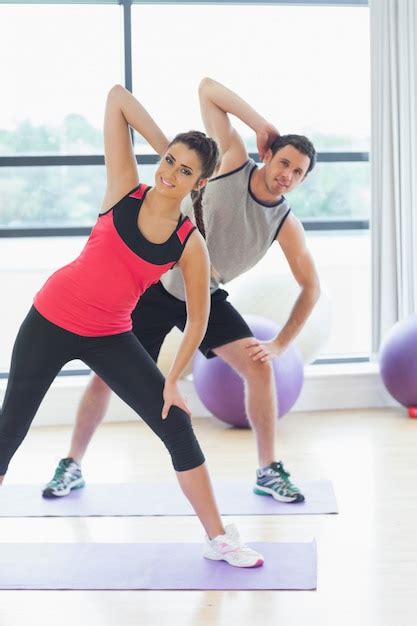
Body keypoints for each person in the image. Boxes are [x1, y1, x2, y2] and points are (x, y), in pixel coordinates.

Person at [0, 84, 264, 569]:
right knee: (8, 431)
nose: (170, 174)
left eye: (185, 171)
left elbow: (200, 317)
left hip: (109, 334)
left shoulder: (189, 243)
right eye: (168, 162)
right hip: (50, 319)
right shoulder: (124, 187)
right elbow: (117, 98)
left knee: (177, 426)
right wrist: (171, 145)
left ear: (198, 185)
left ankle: (219, 538)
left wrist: (172, 381)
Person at [44, 77, 321, 505]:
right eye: (284, 162)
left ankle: (268, 470)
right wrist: (260, 122)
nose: (287, 175)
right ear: (269, 155)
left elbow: (310, 287)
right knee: (104, 375)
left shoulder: (285, 224)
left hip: (203, 293)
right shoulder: (231, 159)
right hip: (152, 285)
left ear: (303, 180)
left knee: (260, 367)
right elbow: (208, 89)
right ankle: (71, 464)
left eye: (297, 172)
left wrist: (282, 344)